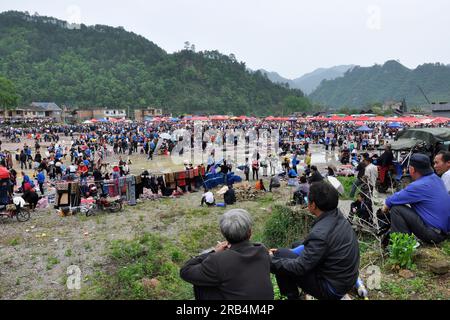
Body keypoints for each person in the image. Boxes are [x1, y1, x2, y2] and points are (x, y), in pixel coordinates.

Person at [270, 181, 360, 300]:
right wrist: (291, 250)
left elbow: (300, 267)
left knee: (279, 258)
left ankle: (292, 297)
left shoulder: (320, 234)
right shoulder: (337, 216)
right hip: (346, 278)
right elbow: (315, 245)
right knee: (294, 246)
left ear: (313, 205)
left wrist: (269, 262)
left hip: (332, 289)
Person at [180, 209, 274, 300]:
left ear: (223, 233)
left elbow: (185, 271)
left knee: (201, 283)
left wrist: (213, 252)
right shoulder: (261, 250)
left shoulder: (217, 259)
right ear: (250, 233)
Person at [382, 153, 450, 247]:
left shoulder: (418, 186)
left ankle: (403, 246)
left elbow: (392, 200)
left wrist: (385, 207)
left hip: (434, 235)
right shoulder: (436, 179)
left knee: (396, 209)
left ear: (412, 169)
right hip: (444, 232)